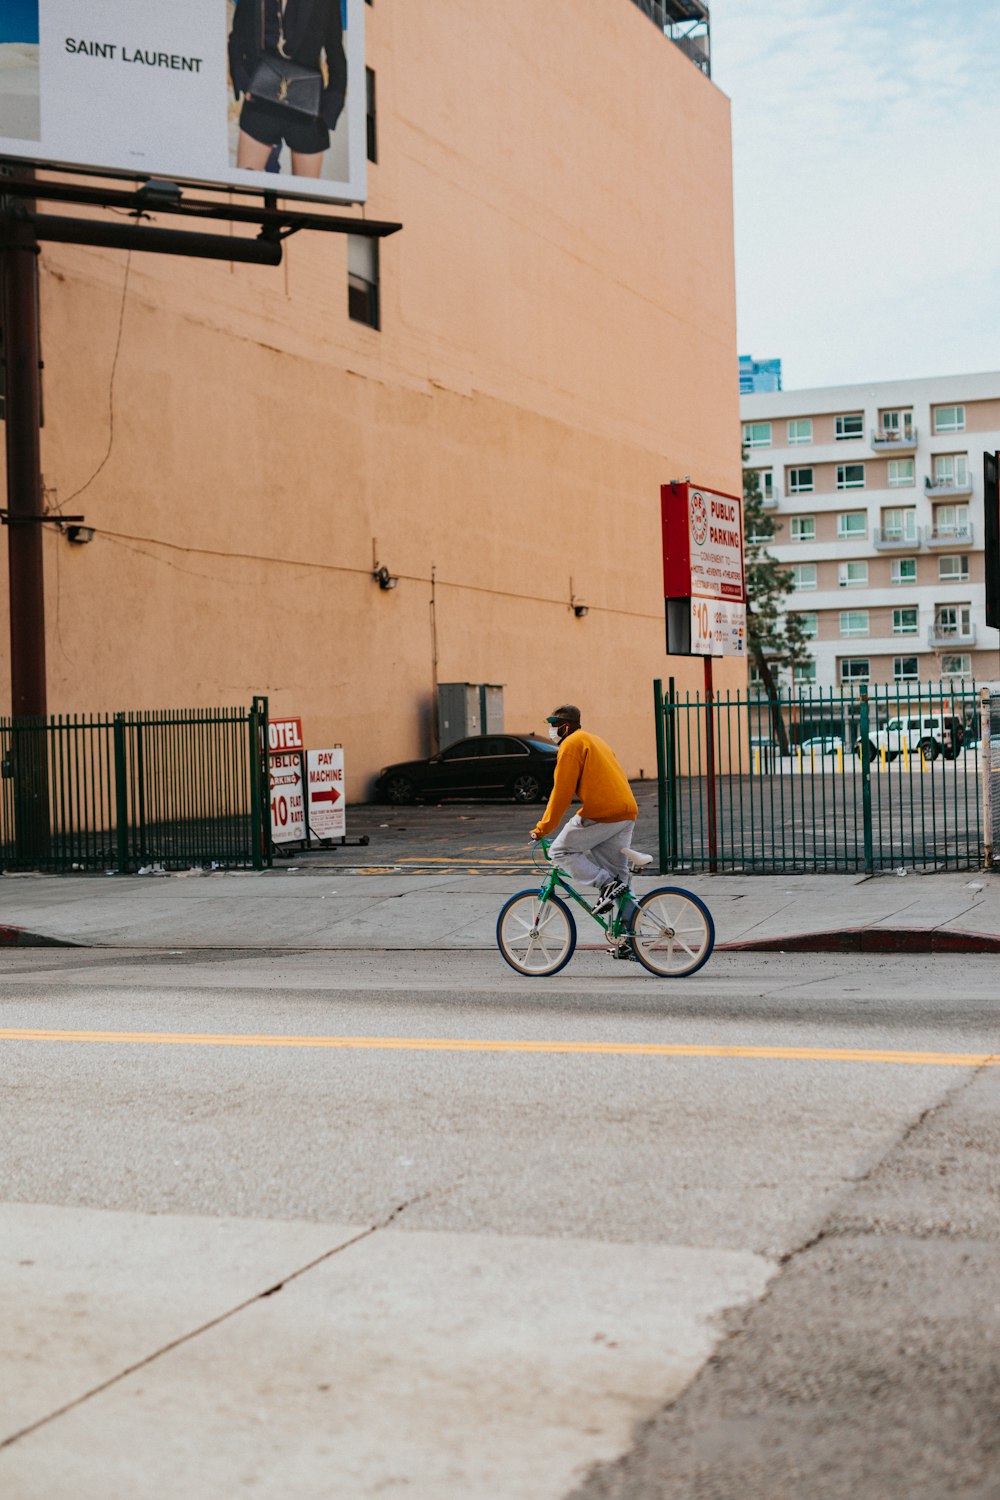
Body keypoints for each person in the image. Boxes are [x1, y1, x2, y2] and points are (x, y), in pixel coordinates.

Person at [530, 705, 647, 914]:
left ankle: (604, 884)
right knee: (620, 880)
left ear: (565, 728)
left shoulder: (570, 745)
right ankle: (631, 938)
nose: (552, 730)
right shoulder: (595, 740)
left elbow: (561, 793)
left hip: (603, 812)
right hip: (626, 811)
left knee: (559, 851)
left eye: (554, 725)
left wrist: (543, 828)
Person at [229, 0, 347, 180]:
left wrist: (329, 110)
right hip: (262, 99)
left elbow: (336, 53)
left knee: (306, 201)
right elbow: (237, 38)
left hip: (308, 106)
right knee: (244, 191)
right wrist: (245, 83)